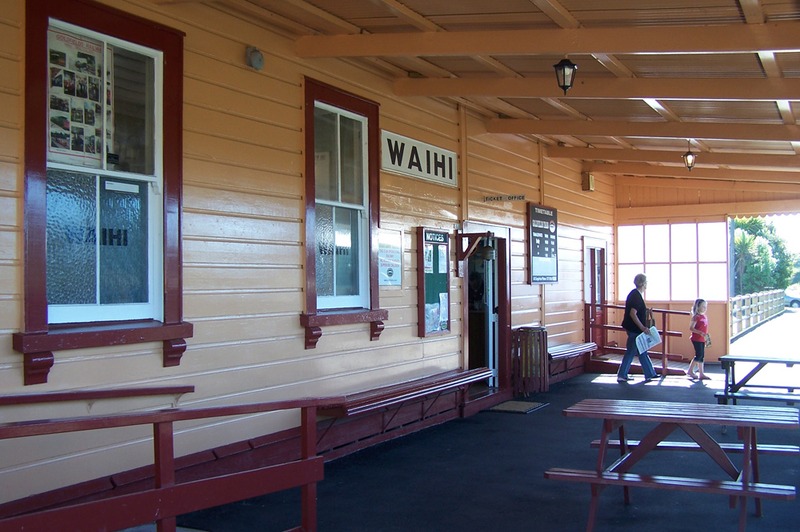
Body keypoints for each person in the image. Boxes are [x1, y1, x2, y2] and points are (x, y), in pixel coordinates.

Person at [617, 273, 658, 383]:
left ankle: (650, 373)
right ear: (644, 283)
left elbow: (635, 311)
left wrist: (646, 312)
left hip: (633, 328)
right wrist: (643, 327)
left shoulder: (634, 294)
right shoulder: (636, 296)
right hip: (634, 329)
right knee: (632, 351)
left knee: (641, 350)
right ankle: (622, 375)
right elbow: (633, 313)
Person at [687, 298, 710, 380]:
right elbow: (691, 328)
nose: (705, 308)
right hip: (696, 338)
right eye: (703, 306)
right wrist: (699, 332)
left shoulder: (704, 316)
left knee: (701, 356)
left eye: (705, 306)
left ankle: (701, 373)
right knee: (699, 355)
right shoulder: (696, 317)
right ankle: (690, 370)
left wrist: (706, 336)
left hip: (702, 338)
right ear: (698, 307)